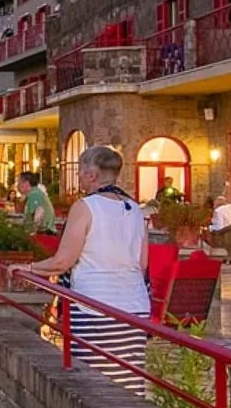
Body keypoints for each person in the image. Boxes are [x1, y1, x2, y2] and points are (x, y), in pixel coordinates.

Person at [21, 145, 149, 365]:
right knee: (127, 381)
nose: (78, 177)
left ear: (92, 175)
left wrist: (27, 269)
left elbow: (63, 261)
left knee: (94, 376)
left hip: (94, 306)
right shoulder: (135, 209)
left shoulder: (85, 207)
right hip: (135, 307)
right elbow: (142, 263)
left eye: (79, 172)